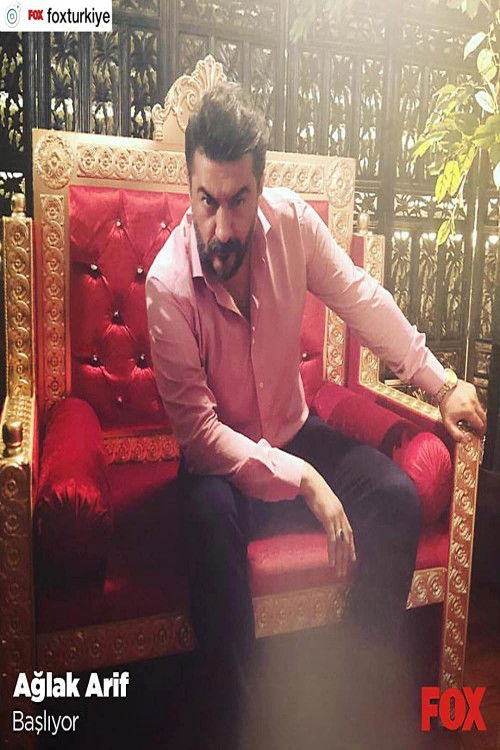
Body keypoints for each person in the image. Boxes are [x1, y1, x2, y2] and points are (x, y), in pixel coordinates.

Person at [146, 82, 486, 748]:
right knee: (207, 526)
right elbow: (201, 436)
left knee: (394, 496)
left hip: (295, 430)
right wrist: (304, 479)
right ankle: (237, 728)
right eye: (207, 201)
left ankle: (352, 701)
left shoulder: (293, 225)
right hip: (221, 463)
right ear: (189, 188)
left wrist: (442, 384)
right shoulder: (167, 286)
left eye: (238, 201)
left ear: (259, 187)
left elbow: (362, 300)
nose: (222, 227)